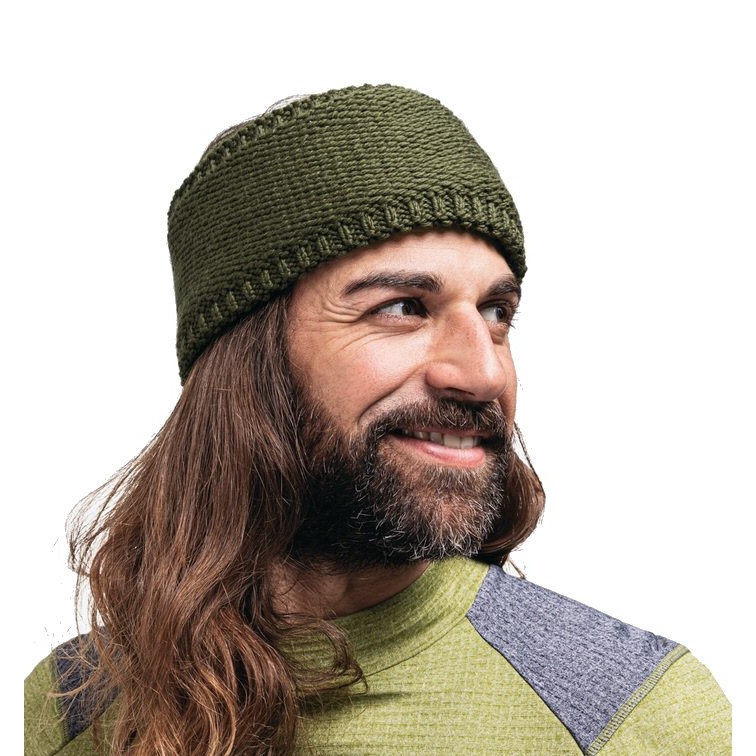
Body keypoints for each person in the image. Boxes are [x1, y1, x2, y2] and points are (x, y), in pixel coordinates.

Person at [24, 84, 730, 755]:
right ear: (249, 357)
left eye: (496, 313)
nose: (484, 372)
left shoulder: (634, 713)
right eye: (402, 308)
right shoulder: (68, 707)